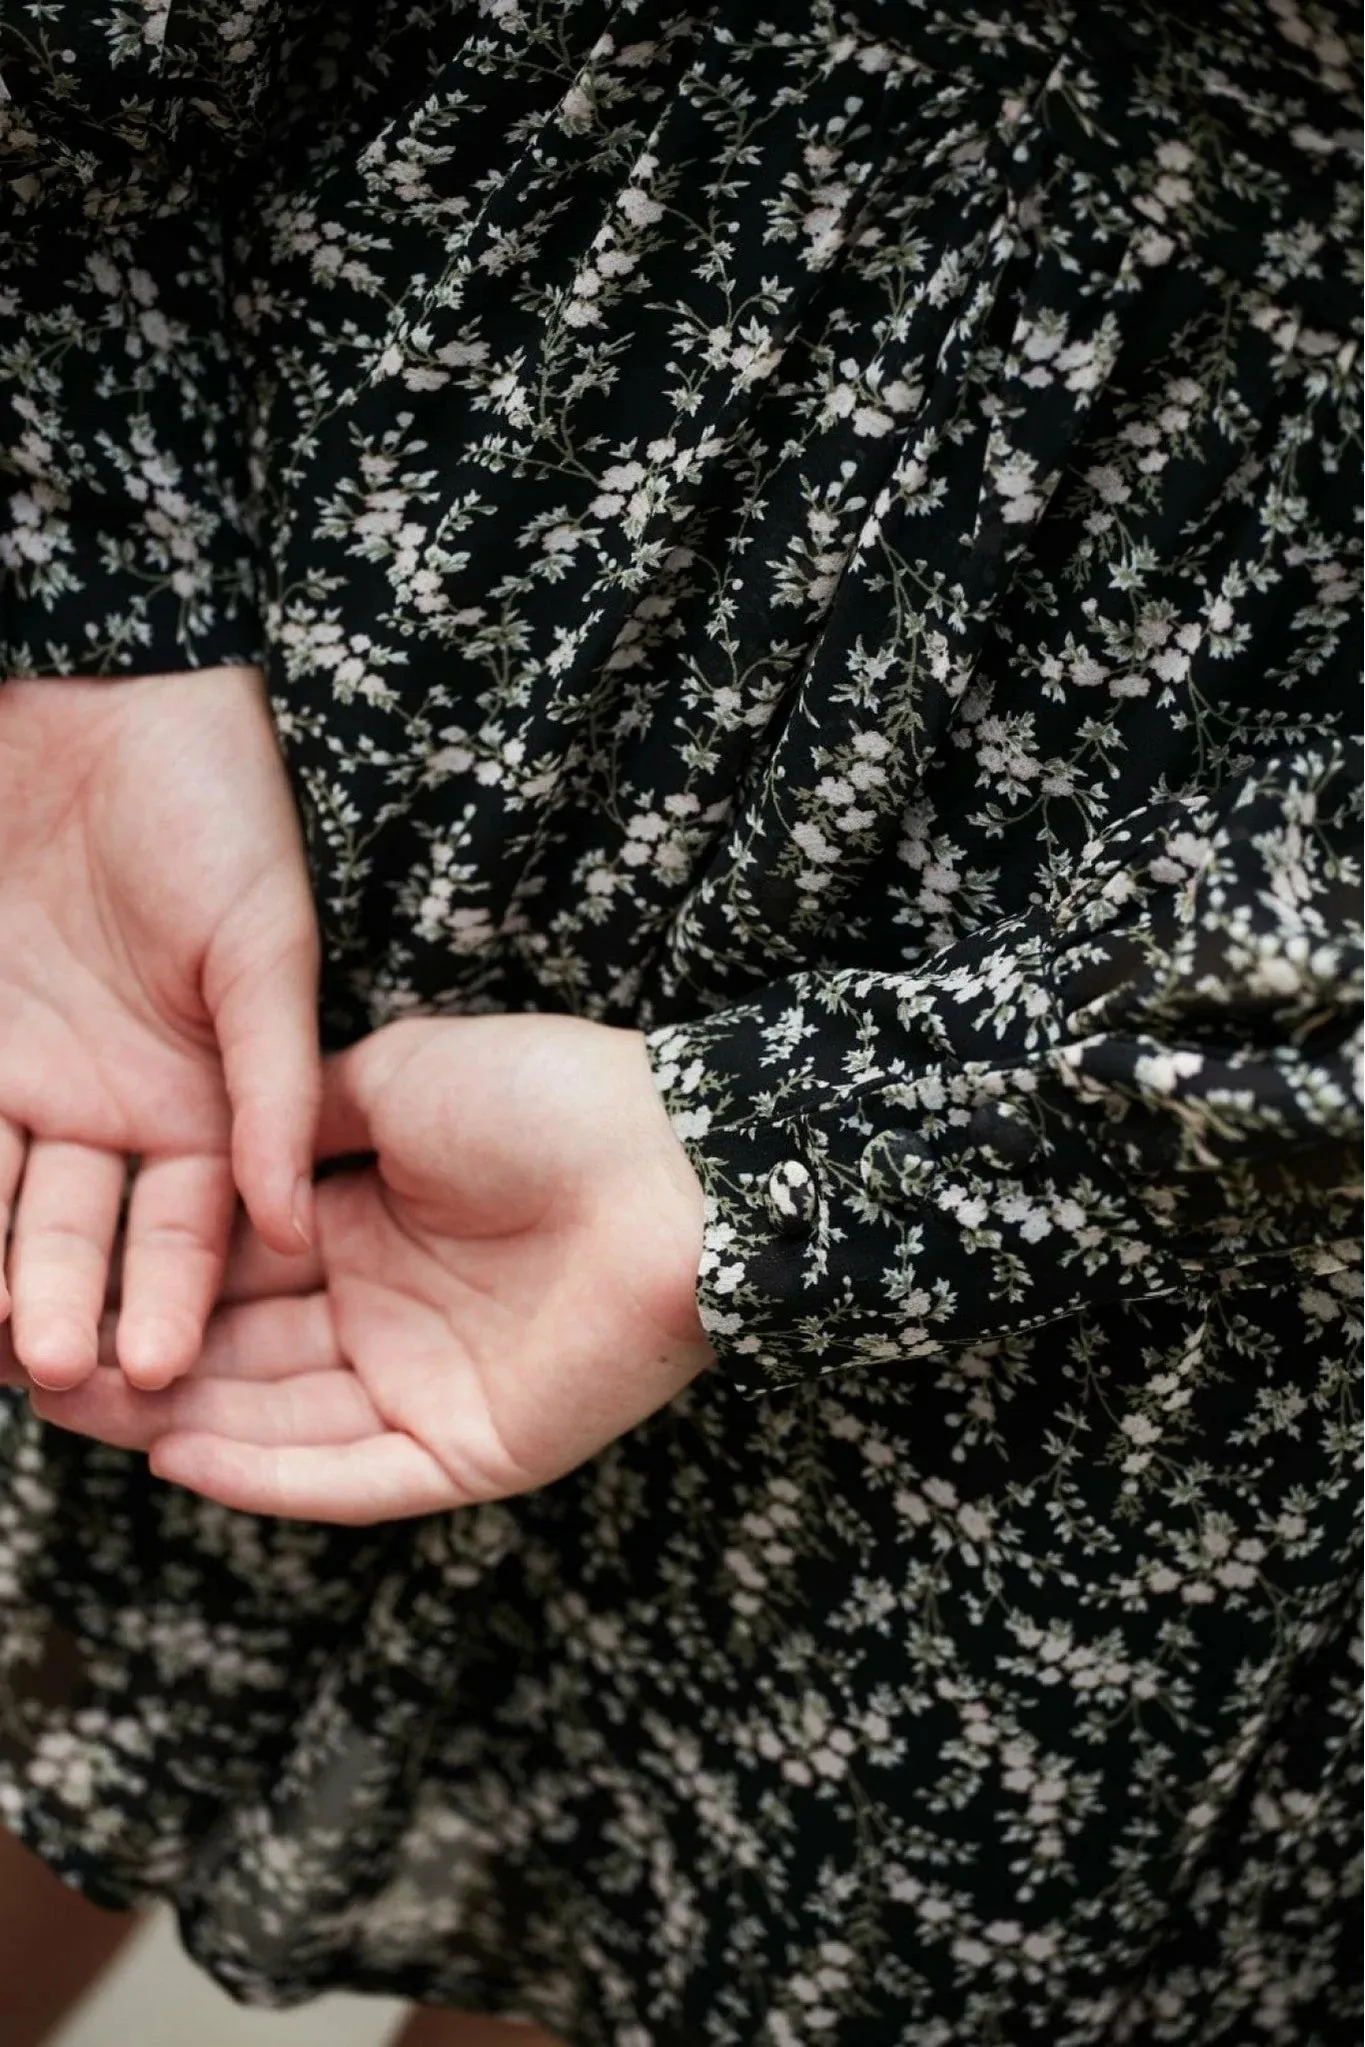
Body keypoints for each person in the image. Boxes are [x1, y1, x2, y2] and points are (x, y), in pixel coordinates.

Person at [0, 2, 1360, 2044]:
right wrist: (83, 589)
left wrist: (844, 1151)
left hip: (1172, 1179)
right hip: (263, 724)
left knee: (703, 1902)